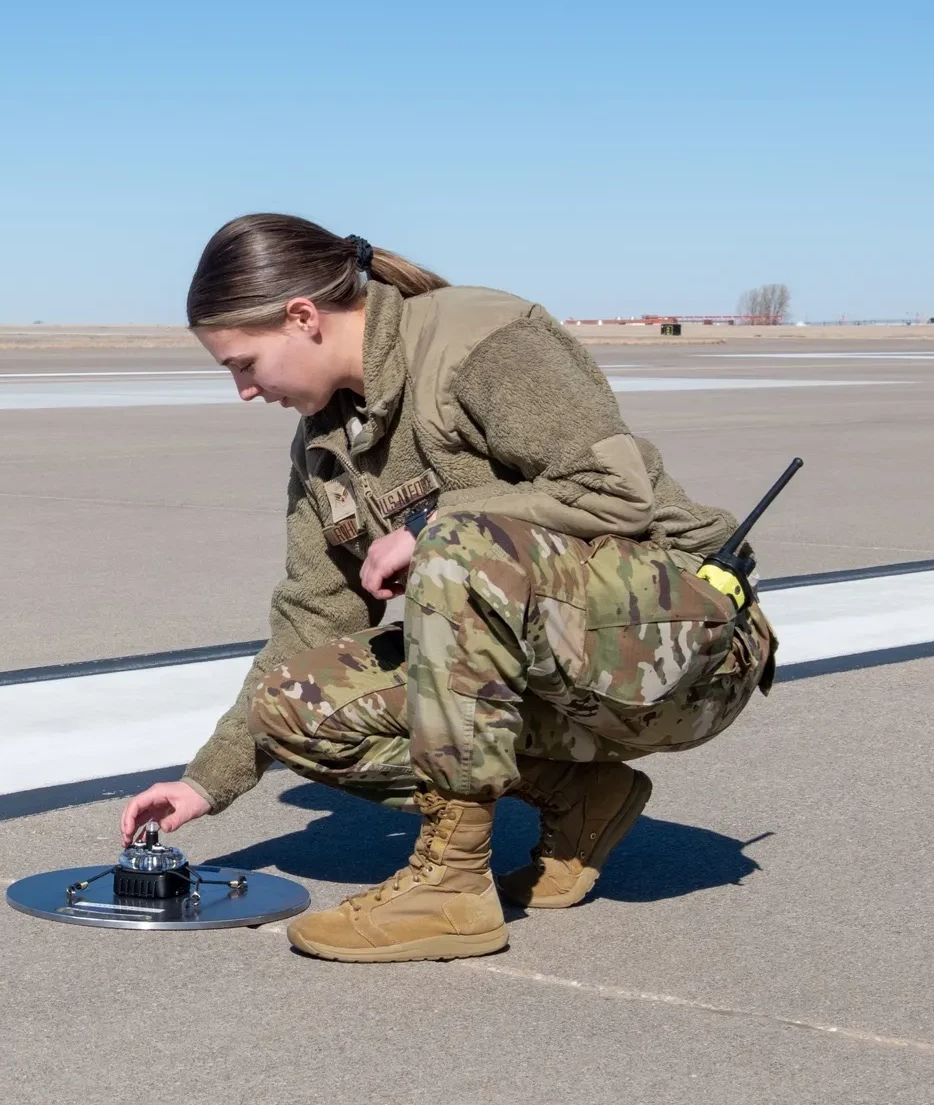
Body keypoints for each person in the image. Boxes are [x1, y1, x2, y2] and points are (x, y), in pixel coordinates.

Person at [119, 214, 776, 963]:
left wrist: (432, 524)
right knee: (289, 706)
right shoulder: (327, 445)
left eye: (243, 363)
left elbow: (615, 492)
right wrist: (208, 781)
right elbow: (312, 614)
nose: (242, 390)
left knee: (455, 550)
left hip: (686, 651)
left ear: (302, 317)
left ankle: (452, 887)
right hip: (564, 671)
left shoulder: (481, 339)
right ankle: (578, 797)